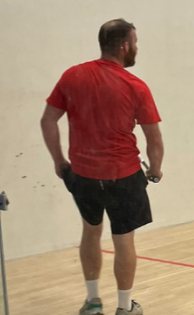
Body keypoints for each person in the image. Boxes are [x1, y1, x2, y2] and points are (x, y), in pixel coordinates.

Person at [40, 18, 163, 315]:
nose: (136, 48)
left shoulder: (73, 76)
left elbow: (48, 120)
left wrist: (59, 160)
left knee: (91, 232)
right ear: (124, 45)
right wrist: (155, 169)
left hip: (83, 176)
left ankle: (93, 302)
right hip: (124, 176)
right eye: (135, 42)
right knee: (123, 241)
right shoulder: (136, 86)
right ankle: (124, 307)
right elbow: (153, 138)